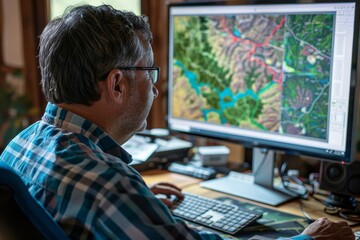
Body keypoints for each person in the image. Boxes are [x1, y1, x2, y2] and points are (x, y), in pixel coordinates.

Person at [0, 4, 355, 240]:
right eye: (149, 71)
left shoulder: (20, 145)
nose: (155, 86)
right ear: (117, 84)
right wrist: (305, 239)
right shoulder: (107, 185)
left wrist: (138, 205)